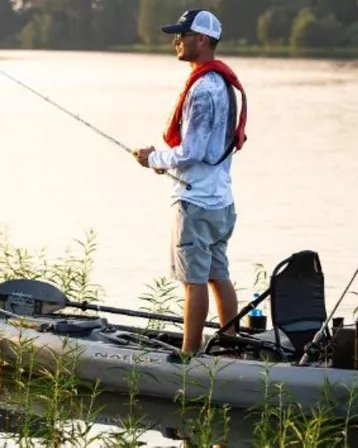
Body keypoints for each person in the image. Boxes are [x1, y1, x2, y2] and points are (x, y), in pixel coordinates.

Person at [133, 9, 249, 356]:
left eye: (182, 36)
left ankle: (188, 356)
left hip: (194, 203)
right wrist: (165, 160)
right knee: (218, 274)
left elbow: (193, 151)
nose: (176, 42)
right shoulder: (225, 85)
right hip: (221, 201)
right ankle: (231, 347)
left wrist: (154, 158)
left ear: (201, 40)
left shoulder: (202, 89)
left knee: (193, 281)